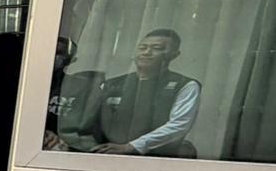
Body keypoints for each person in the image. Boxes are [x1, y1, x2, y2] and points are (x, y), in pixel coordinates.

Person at [84, 28, 200, 156]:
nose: (146, 52)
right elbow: (89, 119)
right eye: (142, 47)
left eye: (157, 48)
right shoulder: (111, 84)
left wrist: (132, 147)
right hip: (105, 154)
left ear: (174, 54)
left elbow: (179, 124)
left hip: (155, 159)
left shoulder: (185, 85)